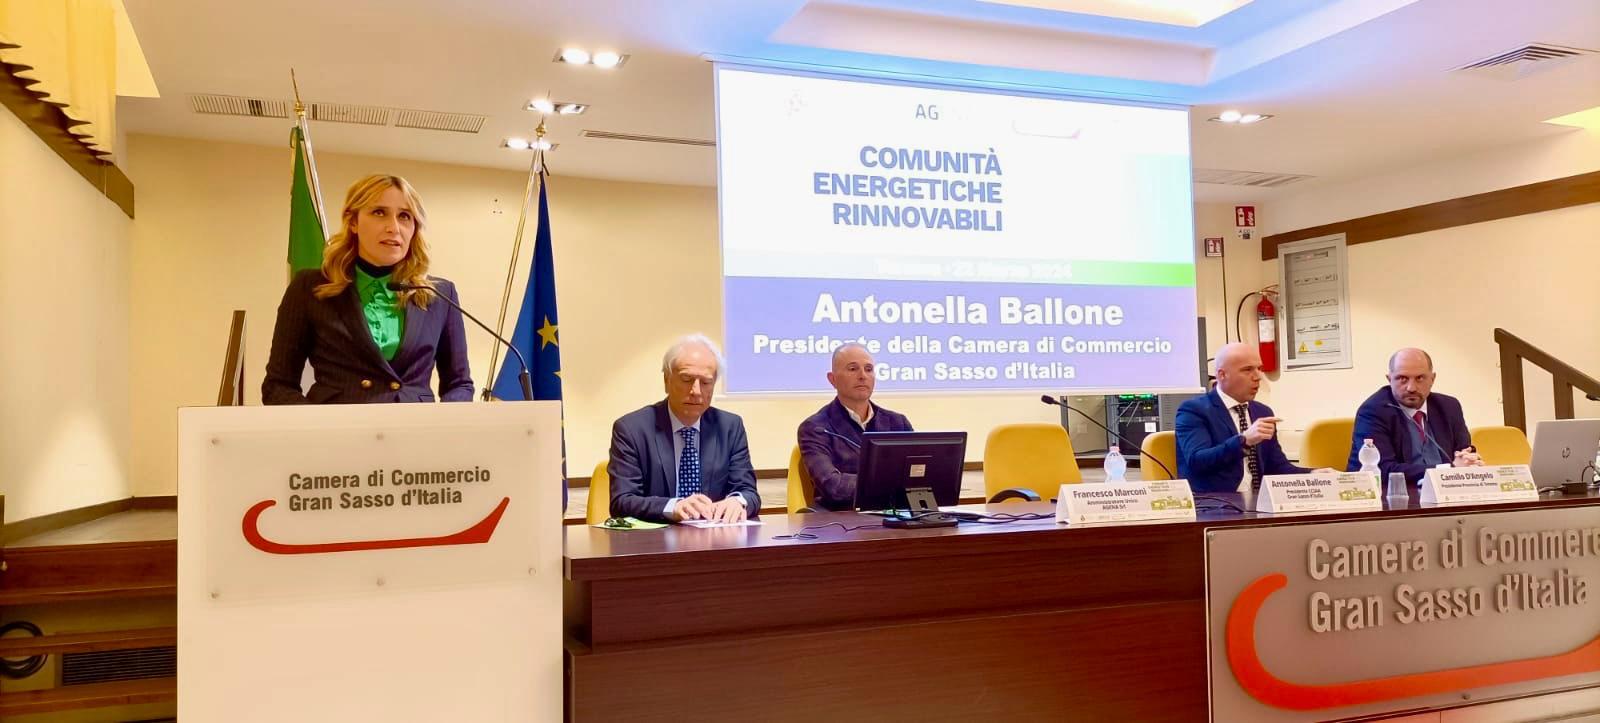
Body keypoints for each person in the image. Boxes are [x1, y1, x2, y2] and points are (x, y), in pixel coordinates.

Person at [263, 174, 472, 404]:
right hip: (338, 423)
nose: (394, 228)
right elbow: (278, 385)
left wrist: (442, 421)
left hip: (415, 425)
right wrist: (317, 423)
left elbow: (459, 384)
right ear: (353, 221)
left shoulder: (440, 295)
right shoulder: (310, 287)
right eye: (379, 212)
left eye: (404, 216)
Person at [607, 334, 760, 522]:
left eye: (706, 382)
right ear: (667, 380)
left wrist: (738, 501)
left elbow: (748, 492)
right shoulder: (632, 429)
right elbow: (622, 501)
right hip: (657, 537)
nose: (696, 391)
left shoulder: (729, 427)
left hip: (715, 536)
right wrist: (673, 506)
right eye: (686, 379)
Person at [1176, 343, 1307, 492]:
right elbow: (1197, 461)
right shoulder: (1194, 410)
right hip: (1216, 502)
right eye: (1247, 370)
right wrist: (1244, 441)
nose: (1258, 377)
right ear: (1222, 375)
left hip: (1258, 500)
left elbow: (1277, 467)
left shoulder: (1263, 412)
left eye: (1259, 369)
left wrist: (1313, 474)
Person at [797, 343, 913, 510]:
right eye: (853, 369)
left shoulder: (897, 423)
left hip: (894, 515)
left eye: (868, 369)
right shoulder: (816, 428)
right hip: (840, 519)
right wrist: (891, 484)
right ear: (832, 379)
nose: (862, 376)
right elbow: (833, 486)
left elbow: (916, 478)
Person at [1347, 348, 1480, 485]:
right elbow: (1383, 470)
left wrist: (1468, 461)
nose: (1411, 388)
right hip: (1391, 493)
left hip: (1445, 489)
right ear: (1389, 379)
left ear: (1432, 379)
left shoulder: (1449, 406)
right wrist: (1447, 470)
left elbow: (1463, 453)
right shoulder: (1374, 410)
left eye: (1420, 378)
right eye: (1402, 379)